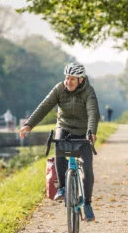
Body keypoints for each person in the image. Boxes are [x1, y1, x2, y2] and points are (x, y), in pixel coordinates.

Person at [18, 62, 100, 221]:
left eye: (72, 80)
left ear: (81, 80)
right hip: (64, 126)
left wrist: (92, 132)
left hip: (83, 131)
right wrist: (29, 124)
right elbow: (45, 106)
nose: (68, 82)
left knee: (88, 168)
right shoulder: (59, 89)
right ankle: (62, 188)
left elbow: (93, 112)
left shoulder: (89, 91)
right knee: (59, 149)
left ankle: (88, 204)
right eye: (67, 78)